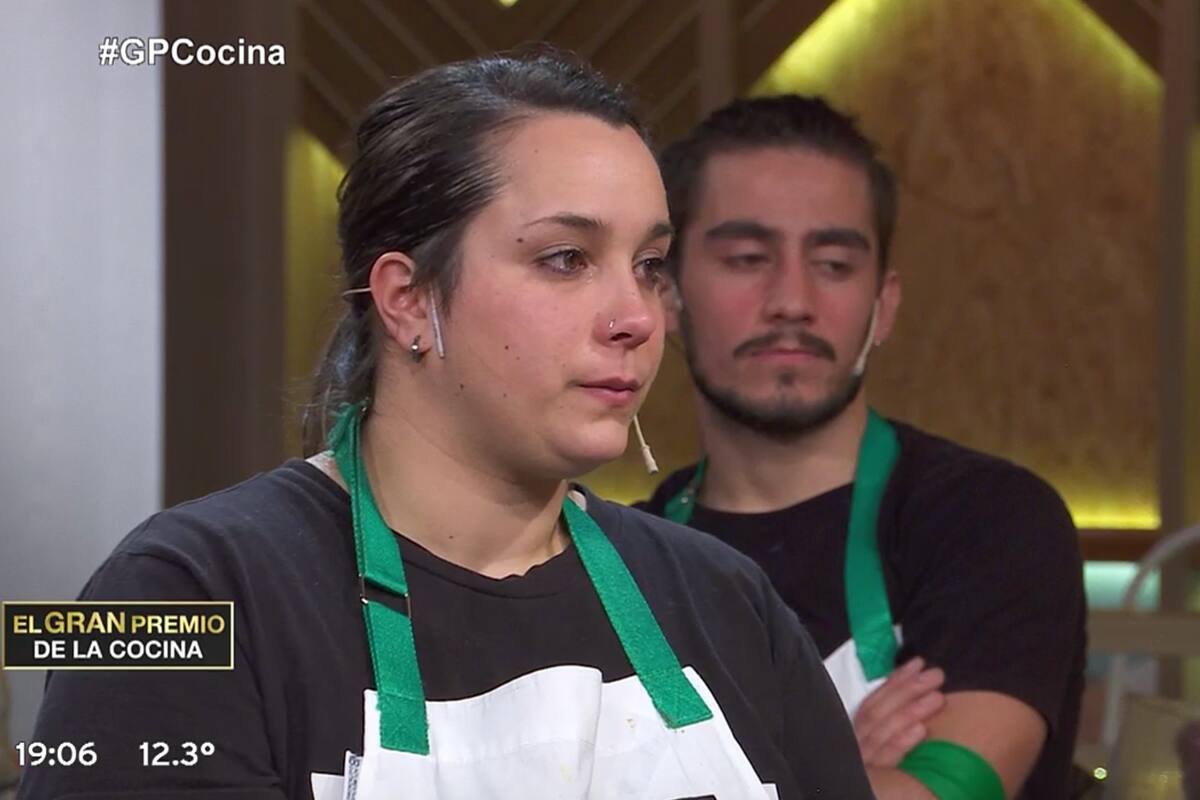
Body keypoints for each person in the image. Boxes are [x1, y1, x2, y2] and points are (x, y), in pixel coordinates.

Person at [17, 56, 873, 800]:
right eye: (566, 259)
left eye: (648, 266)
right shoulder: (183, 593)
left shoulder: (727, 604)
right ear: (408, 298)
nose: (635, 317)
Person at [639, 95, 1086, 799]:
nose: (792, 299)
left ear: (885, 306)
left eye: (836, 264)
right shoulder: (622, 561)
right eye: (747, 258)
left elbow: (951, 790)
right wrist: (826, 759)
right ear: (664, 296)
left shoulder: (994, 522)